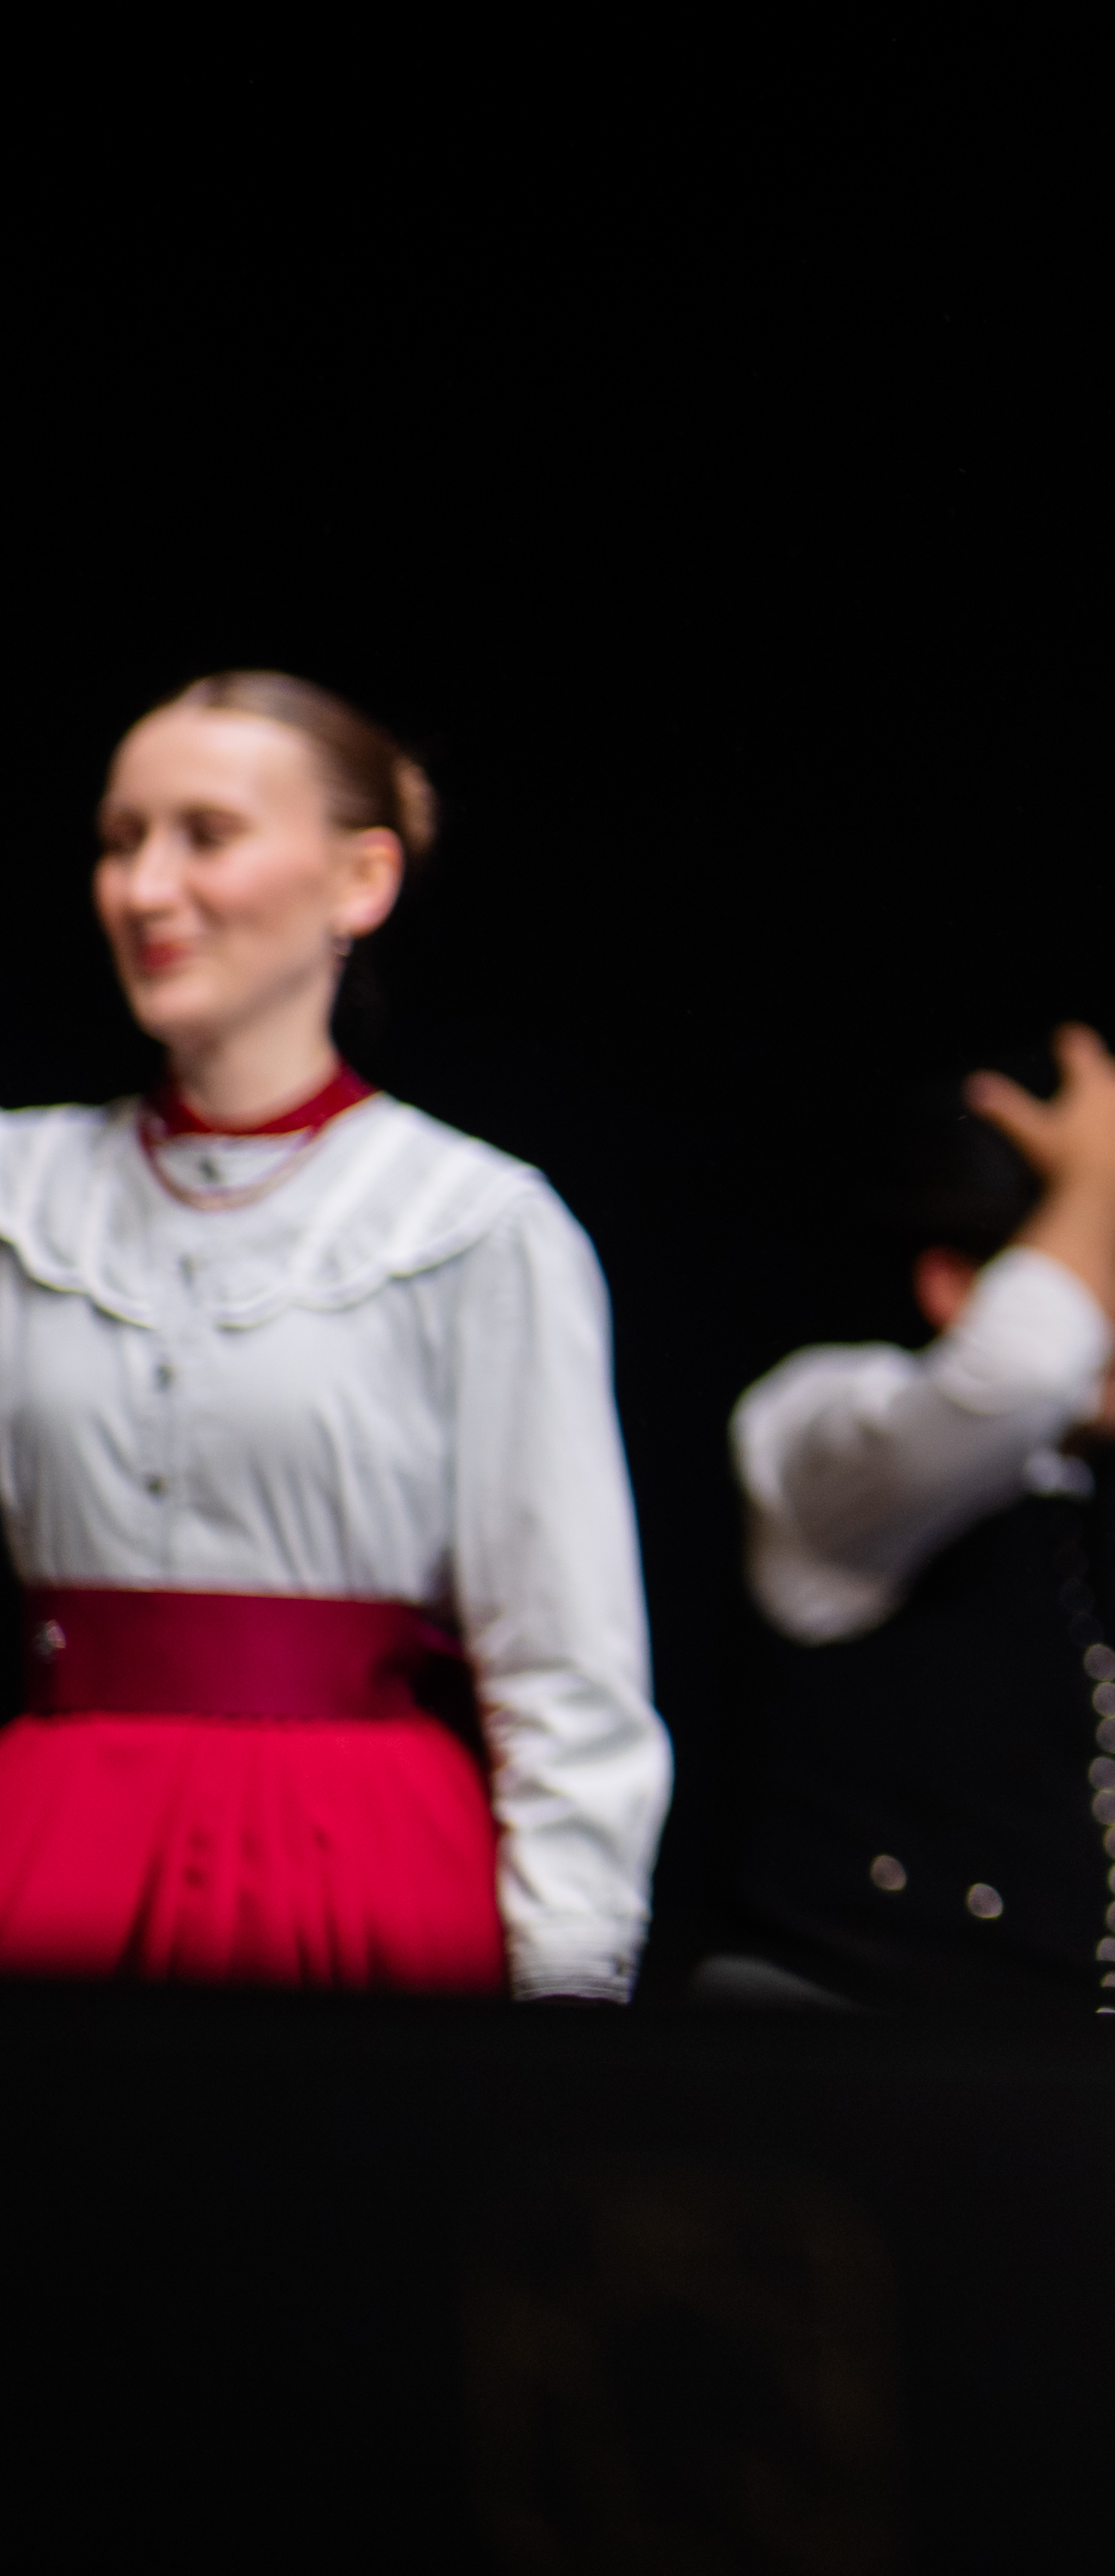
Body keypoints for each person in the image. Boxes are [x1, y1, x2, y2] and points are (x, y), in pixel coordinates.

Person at [0, 674, 663, 1999]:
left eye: (207, 834)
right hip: (58, 1844)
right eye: (122, 840)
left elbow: (564, 1663)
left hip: (351, 1858)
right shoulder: (24, 1194)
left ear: (362, 879)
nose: (146, 888)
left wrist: (571, 1984)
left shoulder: (468, 1221)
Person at [708, 1024, 1115, 2015]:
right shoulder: (823, 1434)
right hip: (832, 2051)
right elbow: (1019, 1374)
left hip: (1062, 2081)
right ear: (956, 1284)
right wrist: (1101, 1180)